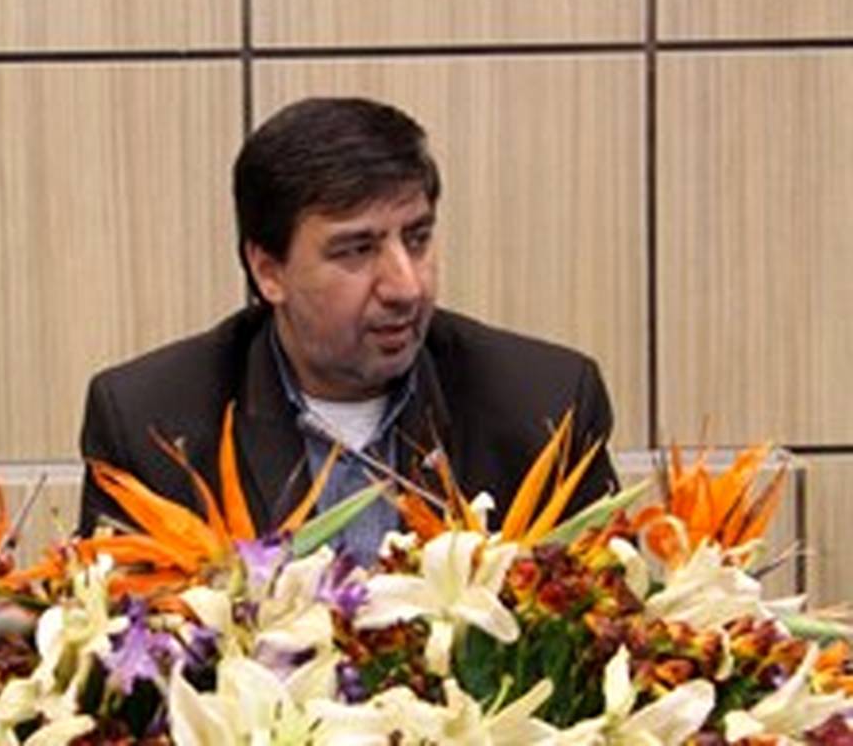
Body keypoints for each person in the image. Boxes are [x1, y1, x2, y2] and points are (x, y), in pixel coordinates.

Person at [77, 96, 617, 562]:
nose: (406, 286)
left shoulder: (545, 409)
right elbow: (126, 637)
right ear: (269, 271)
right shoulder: (151, 425)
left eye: (418, 239)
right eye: (357, 250)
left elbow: (608, 625)